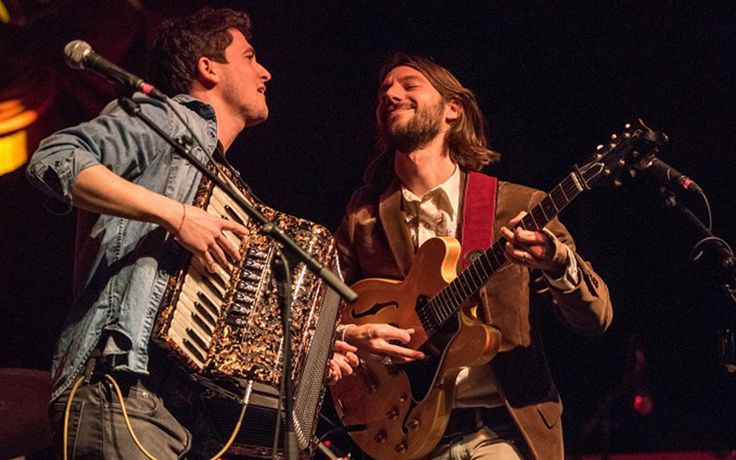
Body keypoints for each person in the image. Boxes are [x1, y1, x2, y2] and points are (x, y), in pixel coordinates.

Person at [27, 6, 356, 459]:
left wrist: (312, 351)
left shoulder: (216, 179)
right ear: (208, 68)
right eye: (249, 57)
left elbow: (235, 336)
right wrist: (177, 215)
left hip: (183, 417)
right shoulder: (164, 117)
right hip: (121, 389)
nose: (265, 71)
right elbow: (56, 157)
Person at [334, 53, 613, 460]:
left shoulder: (515, 205)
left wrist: (556, 262)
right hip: (403, 432)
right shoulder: (364, 216)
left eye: (409, 85)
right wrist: (350, 337)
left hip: (502, 433)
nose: (390, 94)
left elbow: (596, 317)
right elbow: (320, 309)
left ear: (453, 109)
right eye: (384, 90)